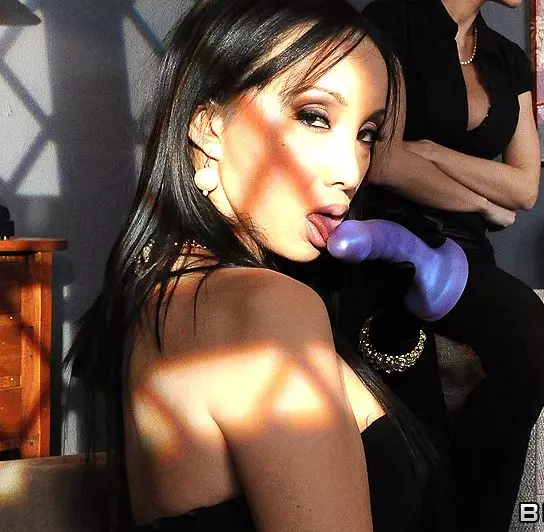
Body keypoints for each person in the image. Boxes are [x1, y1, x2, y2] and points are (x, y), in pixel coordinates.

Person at [65, 1, 450, 530]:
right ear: (209, 126)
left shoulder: (160, 291)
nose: (349, 171)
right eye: (314, 117)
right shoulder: (262, 307)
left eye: (366, 133)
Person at [357, 1, 544, 531]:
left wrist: (432, 150)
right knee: (411, 424)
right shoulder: (393, 20)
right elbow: (384, 160)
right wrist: (481, 201)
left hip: (468, 251)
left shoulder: (507, 57)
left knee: (534, 356)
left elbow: (525, 187)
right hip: (386, 238)